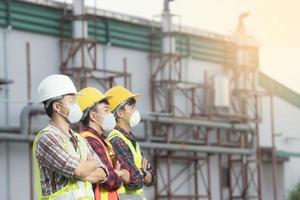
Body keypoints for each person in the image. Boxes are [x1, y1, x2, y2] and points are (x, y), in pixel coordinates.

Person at [33, 74, 108, 200]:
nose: (76, 106)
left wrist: (84, 169)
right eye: (72, 102)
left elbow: (103, 174)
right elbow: (78, 170)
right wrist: (93, 164)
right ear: (57, 106)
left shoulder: (80, 139)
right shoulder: (47, 139)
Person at [77, 87, 130, 200]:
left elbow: (127, 172)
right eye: (106, 110)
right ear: (93, 116)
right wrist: (118, 175)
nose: (111, 115)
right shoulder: (89, 141)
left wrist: (119, 173)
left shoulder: (103, 141)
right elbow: (111, 181)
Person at [105, 86, 157, 200]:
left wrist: (141, 173)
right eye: (131, 107)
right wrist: (144, 173)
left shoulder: (129, 140)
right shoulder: (116, 140)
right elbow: (135, 181)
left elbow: (153, 177)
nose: (135, 111)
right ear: (120, 113)